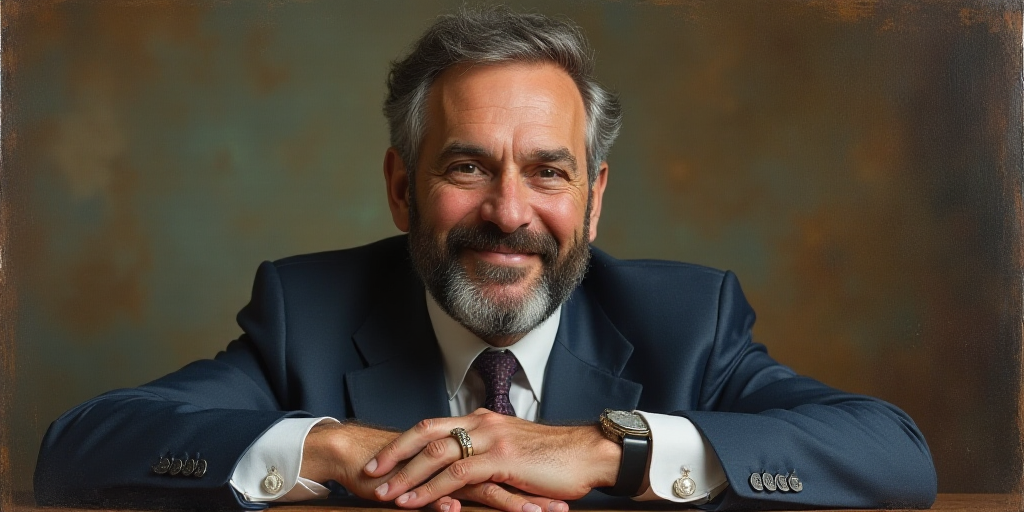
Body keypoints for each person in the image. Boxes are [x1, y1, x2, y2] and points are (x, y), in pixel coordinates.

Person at [34, 7, 937, 511]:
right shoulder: (304, 314)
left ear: (594, 198)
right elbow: (79, 451)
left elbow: (895, 456)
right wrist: (337, 447)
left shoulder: (688, 325)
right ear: (402, 187)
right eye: (467, 167)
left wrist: (604, 450)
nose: (509, 213)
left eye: (549, 172)